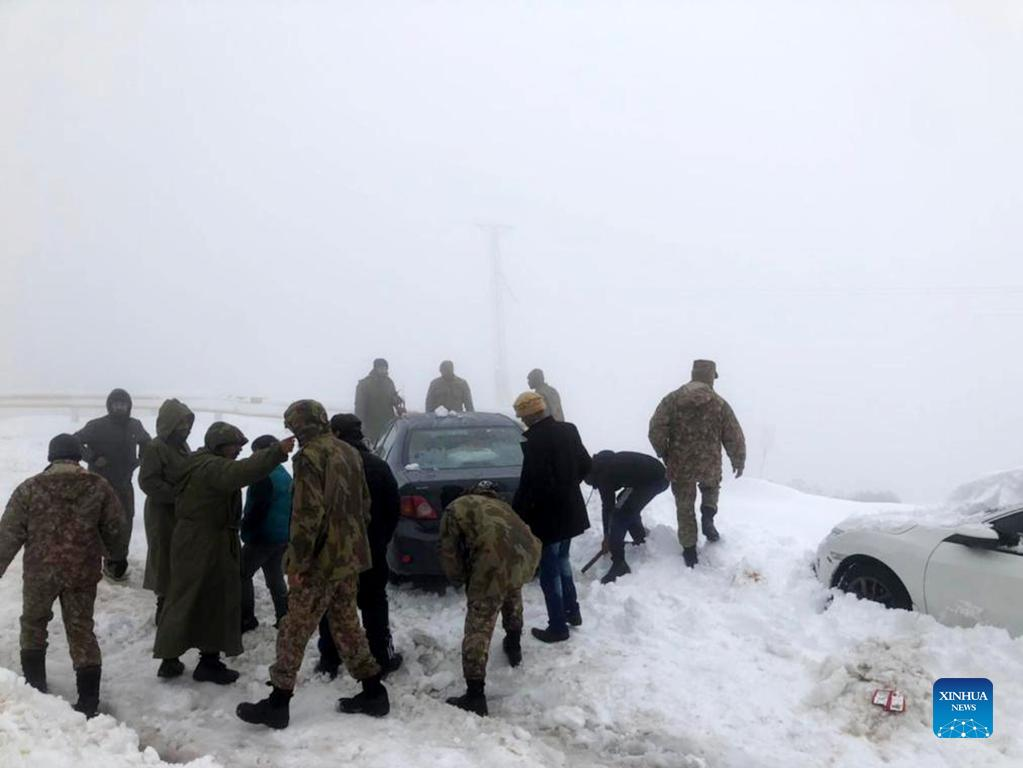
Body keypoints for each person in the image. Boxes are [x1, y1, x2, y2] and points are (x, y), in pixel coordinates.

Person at [237, 400, 389, 730]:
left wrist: (298, 562)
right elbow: (364, 504)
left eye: (292, 426)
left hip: (320, 561)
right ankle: (374, 691)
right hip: (348, 557)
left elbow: (307, 515)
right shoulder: (349, 452)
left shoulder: (309, 457)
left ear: (300, 425)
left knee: (293, 628)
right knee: (346, 624)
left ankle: (278, 703)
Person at [153, 423, 293, 682]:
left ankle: (171, 658)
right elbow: (242, 472)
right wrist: (276, 451)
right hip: (208, 540)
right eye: (234, 446)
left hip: (192, 538)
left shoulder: (196, 461)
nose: (238, 450)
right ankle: (208, 662)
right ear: (219, 445)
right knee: (216, 598)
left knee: (184, 597)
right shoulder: (212, 467)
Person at [0, 434, 121, 718]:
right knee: (81, 630)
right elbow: (115, 527)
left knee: (33, 624)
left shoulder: (30, 488)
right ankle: (88, 703)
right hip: (82, 573)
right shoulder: (99, 486)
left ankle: (35, 689)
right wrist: (114, 555)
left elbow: (8, 533)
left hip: (40, 573)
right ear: (78, 456)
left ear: (51, 456)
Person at [439, 482, 541, 716]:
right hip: (526, 553)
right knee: (512, 592)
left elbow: (448, 552)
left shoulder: (453, 509)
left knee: (479, 625)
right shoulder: (495, 503)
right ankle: (513, 645)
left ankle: (475, 695)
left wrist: (460, 578)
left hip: (493, 560)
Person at [315, 413, 402, 678]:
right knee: (374, 602)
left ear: (336, 434)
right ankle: (382, 656)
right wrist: (380, 540)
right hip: (371, 549)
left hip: (334, 551)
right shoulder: (378, 466)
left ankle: (329, 658)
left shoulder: (327, 466)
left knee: (332, 603)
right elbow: (393, 508)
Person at [648, 359, 746, 568]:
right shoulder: (719, 404)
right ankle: (708, 517)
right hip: (709, 463)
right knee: (711, 487)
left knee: (684, 506)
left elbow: (655, 428)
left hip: (680, 464)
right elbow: (733, 435)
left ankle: (689, 550)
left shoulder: (672, 399)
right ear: (711, 378)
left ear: (693, 374)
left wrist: (664, 452)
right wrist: (738, 459)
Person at [511, 391, 591, 643]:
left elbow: (531, 484)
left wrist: (517, 514)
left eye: (522, 416)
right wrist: (568, 486)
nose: (522, 421)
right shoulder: (569, 429)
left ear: (528, 415)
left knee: (549, 570)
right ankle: (572, 612)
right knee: (563, 560)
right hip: (571, 510)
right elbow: (586, 465)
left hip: (548, 516)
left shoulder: (536, 441)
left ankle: (557, 626)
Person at [75, 388, 151, 580]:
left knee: (125, 521)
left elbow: (147, 442)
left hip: (124, 483)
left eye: (123, 404)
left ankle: (117, 561)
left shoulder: (135, 425)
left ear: (129, 406)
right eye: (116, 404)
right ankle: (95, 559)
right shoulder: (96, 426)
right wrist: (93, 457)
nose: (119, 408)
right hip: (100, 485)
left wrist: (141, 459)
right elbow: (75, 441)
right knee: (100, 522)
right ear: (109, 405)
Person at [139, 398, 194, 621]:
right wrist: (175, 495)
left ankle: (177, 600)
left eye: (188, 423)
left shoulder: (182, 446)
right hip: (161, 512)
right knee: (163, 556)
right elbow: (148, 481)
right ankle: (163, 605)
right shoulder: (156, 447)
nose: (186, 428)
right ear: (170, 423)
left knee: (180, 555)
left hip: (181, 512)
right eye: (181, 423)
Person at [584, 450, 669, 583]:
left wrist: (607, 536)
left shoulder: (603, 475)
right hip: (652, 476)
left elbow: (608, 508)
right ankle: (640, 538)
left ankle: (619, 564)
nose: (595, 487)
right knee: (624, 504)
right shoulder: (602, 463)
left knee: (620, 514)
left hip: (655, 480)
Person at [240, 435, 294, 633]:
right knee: (275, 576)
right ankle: (284, 616)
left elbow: (256, 510)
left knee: (241, 574)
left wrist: (246, 531)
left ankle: (246, 618)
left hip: (263, 536)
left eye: (255, 453)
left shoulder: (263, 477)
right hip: (282, 536)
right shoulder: (284, 474)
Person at [355, 358, 407, 445]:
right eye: (381, 368)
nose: (384, 370)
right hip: (370, 424)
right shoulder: (364, 384)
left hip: (387, 423)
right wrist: (360, 423)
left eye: (385, 368)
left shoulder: (389, 382)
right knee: (370, 446)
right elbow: (359, 406)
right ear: (375, 368)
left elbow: (393, 398)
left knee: (386, 446)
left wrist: (397, 401)